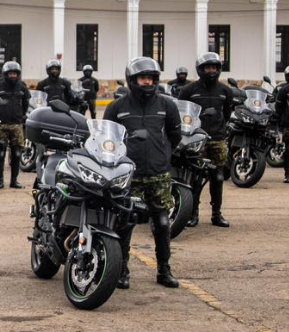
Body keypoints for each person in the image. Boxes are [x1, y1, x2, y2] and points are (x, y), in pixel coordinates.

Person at [103, 57, 182, 288]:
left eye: (151, 78)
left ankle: (164, 270)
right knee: (124, 222)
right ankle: (121, 270)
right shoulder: (117, 107)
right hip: (128, 174)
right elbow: (107, 139)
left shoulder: (167, 105)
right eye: (142, 78)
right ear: (132, 80)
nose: (147, 82)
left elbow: (175, 136)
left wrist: (163, 155)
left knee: (163, 222)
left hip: (158, 174)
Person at [177, 52, 241, 227]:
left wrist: (220, 129)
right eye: (207, 67)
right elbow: (180, 112)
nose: (211, 71)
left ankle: (216, 214)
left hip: (217, 139)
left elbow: (227, 114)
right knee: (195, 177)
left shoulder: (225, 90)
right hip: (195, 139)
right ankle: (192, 213)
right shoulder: (188, 90)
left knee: (218, 177)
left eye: (214, 67)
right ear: (200, 69)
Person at [0, 60, 30, 189]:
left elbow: (26, 104)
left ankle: (14, 181)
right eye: (10, 74)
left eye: (15, 74)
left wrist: (21, 117)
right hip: (1, 125)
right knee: (0, 153)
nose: (13, 76)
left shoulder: (22, 87)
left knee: (17, 154)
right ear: (5, 74)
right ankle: (0, 180)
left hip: (17, 125)